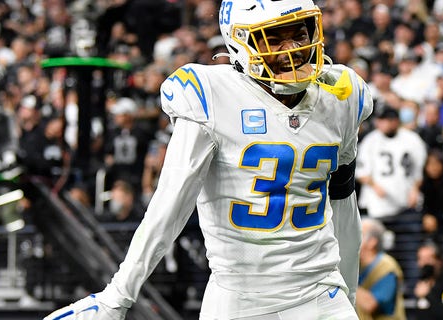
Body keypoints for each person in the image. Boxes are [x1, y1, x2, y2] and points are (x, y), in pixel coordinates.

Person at [45, 1, 373, 319]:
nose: (292, 48)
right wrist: (117, 295)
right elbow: (170, 204)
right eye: (274, 37)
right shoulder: (213, 97)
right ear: (240, 42)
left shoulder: (341, 99)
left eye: (299, 33)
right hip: (239, 299)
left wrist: (349, 293)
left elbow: (344, 206)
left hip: (319, 292)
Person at [356, 105, 427, 219]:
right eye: (381, 120)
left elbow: (420, 169)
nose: (384, 123)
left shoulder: (412, 139)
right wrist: (374, 186)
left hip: (407, 200)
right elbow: (361, 172)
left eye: (387, 120)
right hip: (378, 203)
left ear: (396, 121)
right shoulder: (370, 141)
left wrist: (415, 189)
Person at [355, 218, 406, 320]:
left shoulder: (386, 265)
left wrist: (345, 280)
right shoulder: (358, 265)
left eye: (358, 234)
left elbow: (371, 305)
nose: (353, 239)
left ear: (372, 242)